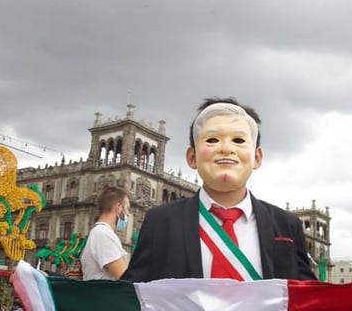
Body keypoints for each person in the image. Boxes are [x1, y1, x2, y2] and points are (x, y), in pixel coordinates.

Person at [124, 97, 317, 283]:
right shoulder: (160, 222)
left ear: (257, 157)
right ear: (192, 157)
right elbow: (130, 297)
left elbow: (309, 299)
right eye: (213, 140)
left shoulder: (286, 225)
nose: (226, 148)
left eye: (239, 140)